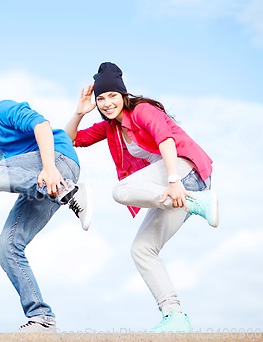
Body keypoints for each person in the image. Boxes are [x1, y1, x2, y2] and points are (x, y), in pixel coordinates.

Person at [65, 62, 219, 333]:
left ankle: (196, 202)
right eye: (100, 98)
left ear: (123, 95)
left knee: (121, 191)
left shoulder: (142, 111)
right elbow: (70, 140)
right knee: (141, 250)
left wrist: (173, 181)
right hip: (173, 191)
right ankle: (176, 317)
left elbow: (166, 140)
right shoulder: (110, 128)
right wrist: (79, 113)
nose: (106, 103)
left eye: (112, 95)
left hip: (186, 173)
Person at [0, 72, 92, 333]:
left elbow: (42, 126)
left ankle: (65, 191)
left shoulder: (4, 110)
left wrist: (50, 171)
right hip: (45, 185)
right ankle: (42, 318)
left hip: (57, 162)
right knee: (6, 247)